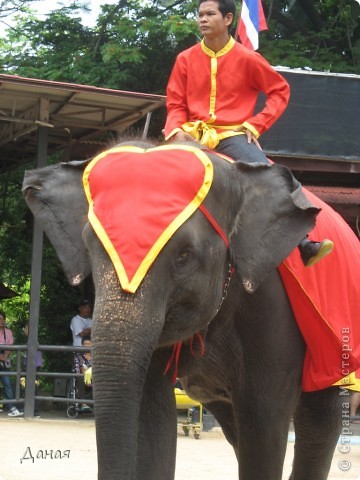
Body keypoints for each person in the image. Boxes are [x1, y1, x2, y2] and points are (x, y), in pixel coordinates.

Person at [164, 0, 333, 267]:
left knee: (268, 175)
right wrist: (174, 131)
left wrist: (255, 125)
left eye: (210, 14)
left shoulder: (248, 58)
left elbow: (280, 91)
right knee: (155, 175)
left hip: (232, 136)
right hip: (191, 137)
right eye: (200, 15)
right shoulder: (184, 59)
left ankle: (304, 243)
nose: (202, 19)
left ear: (228, 18)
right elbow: (175, 104)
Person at [0, 311, 23, 416]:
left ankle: (11, 406)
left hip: (4, 361)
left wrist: (4, 356)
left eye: (2, 319)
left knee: (7, 384)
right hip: (2, 357)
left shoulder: (8, 332)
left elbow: (10, 344)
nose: (1, 321)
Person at [23, 323, 43, 417]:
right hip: (32, 365)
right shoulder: (30, 340)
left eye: (27, 329)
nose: (26, 331)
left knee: (33, 388)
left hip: (34, 366)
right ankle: (33, 410)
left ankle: (35, 411)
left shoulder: (33, 341)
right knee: (29, 387)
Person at [73, 335, 92, 411]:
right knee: (80, 377)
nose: (87, 345)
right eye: (85, 344)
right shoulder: (78, 355)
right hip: (82, 377)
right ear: (82, 345)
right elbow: (77, 368)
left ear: (92, 344)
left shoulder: (96, 355)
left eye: (88, 344)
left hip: (93, 377)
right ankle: (84, 403)